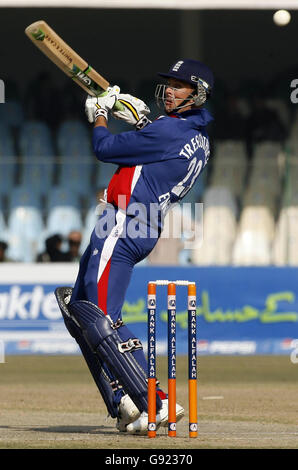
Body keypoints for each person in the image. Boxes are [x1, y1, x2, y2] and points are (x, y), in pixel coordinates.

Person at [55, 59, 214, 435]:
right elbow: (154, 158)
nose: (170, 91)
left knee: (99, 319)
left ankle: (152, 400)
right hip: (140, 224)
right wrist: (142, 122)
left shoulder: (168, 131)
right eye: (169, 84)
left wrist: (99, 115)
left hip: (122, 224)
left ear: (198, 94)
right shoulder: (197, 136)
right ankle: (124, 402)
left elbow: (105, 148)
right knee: (79, 311)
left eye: (180, 86)